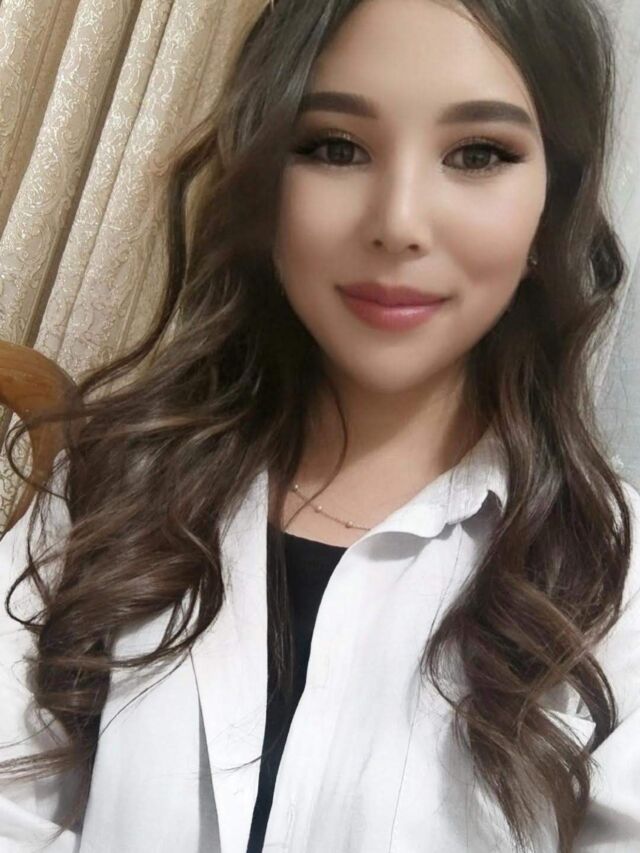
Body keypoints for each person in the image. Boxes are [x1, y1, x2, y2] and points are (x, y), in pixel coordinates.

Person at [0, 0, 637, 850]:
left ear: (552, 205)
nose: (398, 223)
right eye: (335, 146)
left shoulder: (615, 576)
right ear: (265, 179)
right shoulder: (110, 480)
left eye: (479, 153)